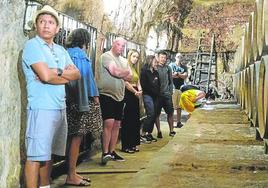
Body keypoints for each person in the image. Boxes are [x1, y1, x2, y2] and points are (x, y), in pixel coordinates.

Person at [22, 5, 81, 188]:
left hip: (59, 108)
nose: (46, 25)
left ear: (57, 29)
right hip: (41, 108)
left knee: (48, 154)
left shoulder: (61, 50)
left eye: (50, 22)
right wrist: (56, 75)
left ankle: (45, 186)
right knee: (35, 156)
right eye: (41, 22)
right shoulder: (32, 46)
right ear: (36, 26)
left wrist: (57, 72)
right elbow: (46, 76)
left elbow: (76, 75)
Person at [64, 28, 101, 186]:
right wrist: (95, 97)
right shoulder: (80, 55)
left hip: (68, 100)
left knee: (71, 137)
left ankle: (72, 172)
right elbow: (86, 79)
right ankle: (71, 175)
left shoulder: (66, 52)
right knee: (77, 137)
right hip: (80, 101)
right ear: (85, 40)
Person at [97, 37, 132, 165]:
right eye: (119, 45)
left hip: (120, 95)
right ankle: (105, 152)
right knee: (109, 123)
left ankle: (112, 151)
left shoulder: (123, 60)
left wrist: (122, 73)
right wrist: (124, 73)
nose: (121, 48)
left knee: (117, 124)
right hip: (107, 94)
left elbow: (131, 76)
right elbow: (114, 71)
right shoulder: (106, 57)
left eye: (123, 46)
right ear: (113, 44)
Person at [121, 49, 143, 153]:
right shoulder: (125, 66)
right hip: (128, 93)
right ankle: (126, 145)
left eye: (137, 57)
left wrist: (140, 90)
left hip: (135, 94)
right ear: (129, 56)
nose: (135, 59)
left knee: (135, 120)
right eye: (133, 56)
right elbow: (125, 82)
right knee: (128, 120)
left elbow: (137, 80)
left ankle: (133, 143)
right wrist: (135, 91)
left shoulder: (135, 68)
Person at [155, 51, 176, 138]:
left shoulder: (168, 68)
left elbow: (171, 81)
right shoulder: (155, 68)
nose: (163, 59)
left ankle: (171, 130)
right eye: (161, 57)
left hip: (167, 94)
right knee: (157, 114)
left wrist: (170, 91)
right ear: (158, 58)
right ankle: (159, 131)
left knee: (170, 113)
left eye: (164, 57)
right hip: (157, 95)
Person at [140, 55, 160, 142]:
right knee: (150, 113)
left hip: (155, 96)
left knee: (154, 114)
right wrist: (153, 90)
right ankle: (143, 133)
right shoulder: (144, 72)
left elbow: (158, 84)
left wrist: (157, 92)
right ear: (150, 61)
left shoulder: (156, 72)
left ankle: (149, 133)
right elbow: (144, 85)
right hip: (147, 95)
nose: (157, 63)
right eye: (155, 61)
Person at [169, 52, 188, 128]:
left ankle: (178, 122)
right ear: (175, 57)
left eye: (180, 57)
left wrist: (177, 74)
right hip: (173, 88)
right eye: (178, 57)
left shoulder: (184, 67)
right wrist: (180, 75)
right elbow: (170, 75)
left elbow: (185, 76)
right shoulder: (171, 65)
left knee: (179, 107)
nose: (179, 58)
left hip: (181, 88)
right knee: (173, 106)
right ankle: (172, 123)